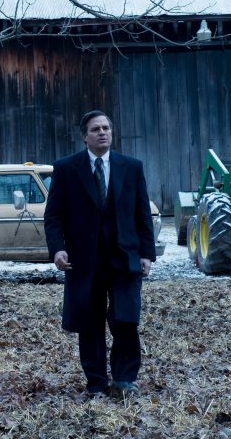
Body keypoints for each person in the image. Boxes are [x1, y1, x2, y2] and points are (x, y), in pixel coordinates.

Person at [44, 110, 156, 398]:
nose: (102, 132)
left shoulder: (131, 167)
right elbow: (54, 215)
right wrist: (57, 249)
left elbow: (142, 212)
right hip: (84, 261)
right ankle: (96, 383)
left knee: (125, 319)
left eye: (106, 127)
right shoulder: (67, 169)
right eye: (95, 129)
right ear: (85, 136)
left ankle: (123, 379)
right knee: (90, 322)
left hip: (124, 259)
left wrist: (147, 253)